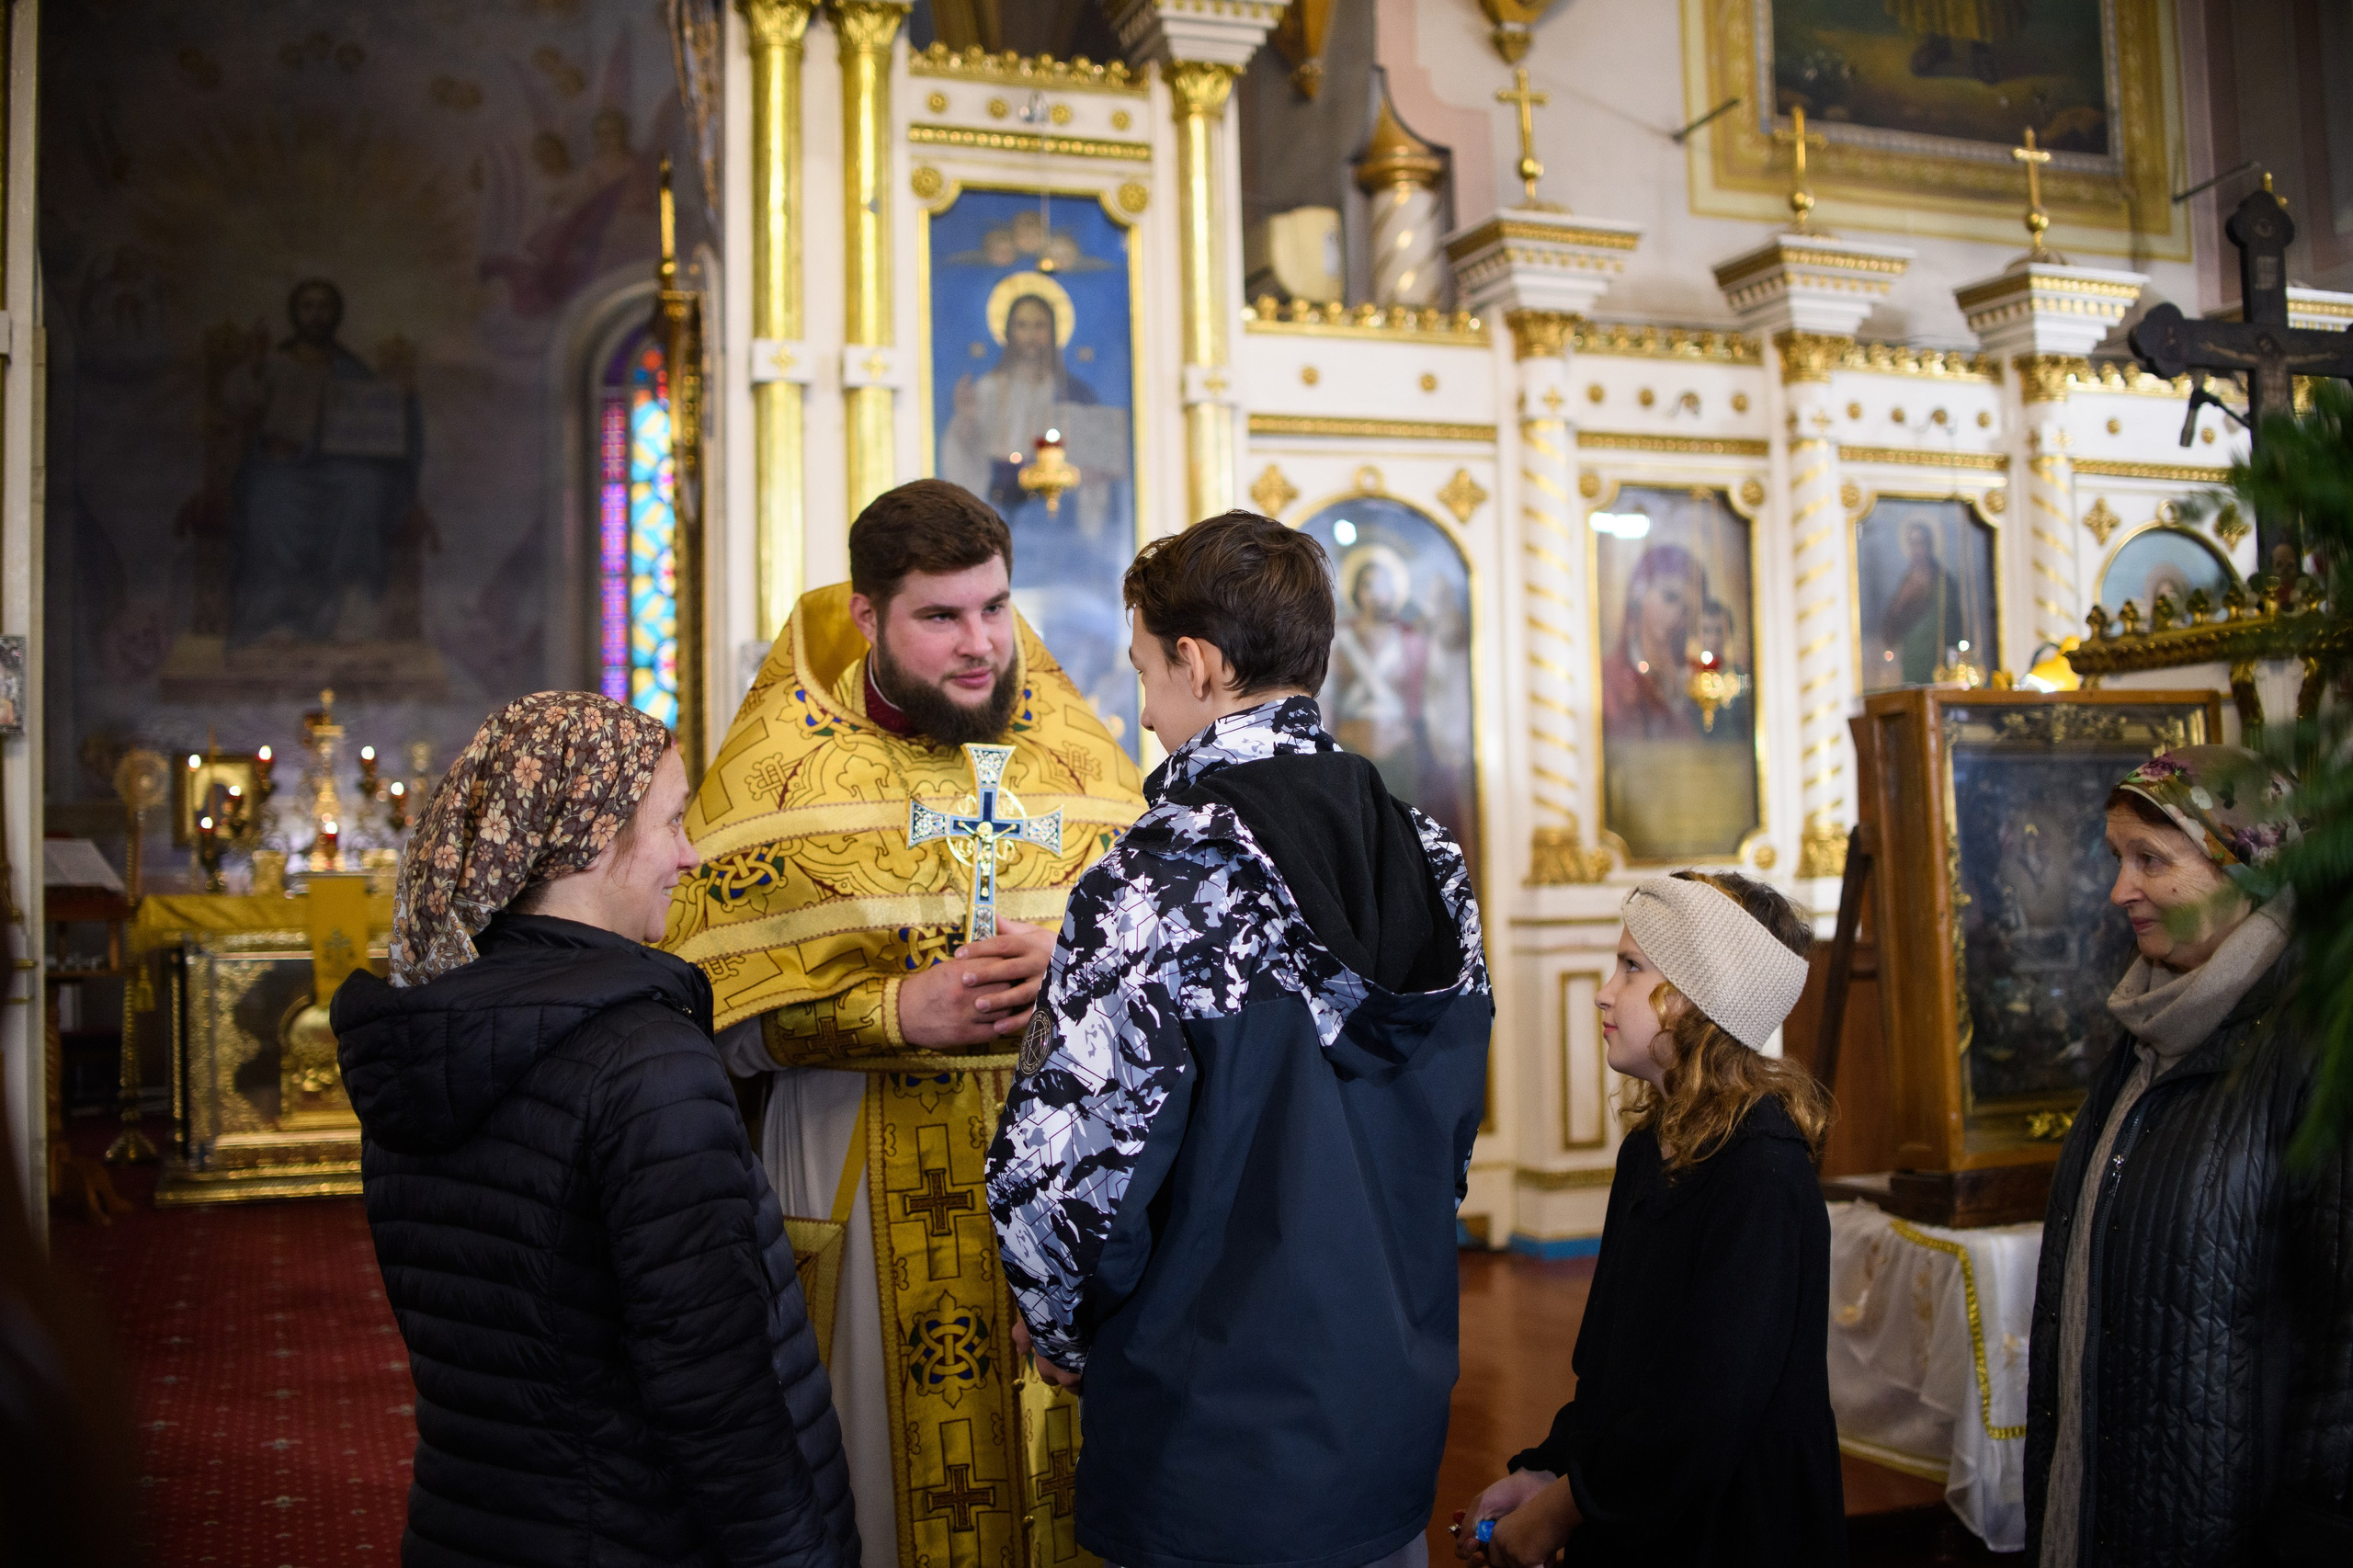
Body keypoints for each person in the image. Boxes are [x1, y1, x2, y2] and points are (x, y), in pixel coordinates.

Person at [988, 509, 1493, 1568]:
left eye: (1146, 674)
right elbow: (1446, 1135)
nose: (1146, 711)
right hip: (1387, 1406)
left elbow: (1066, 1174)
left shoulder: (1155, 878)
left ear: (1201, 662)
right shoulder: (1430, 852)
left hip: (1205, 1442)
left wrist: (1071, 1333)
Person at [665, 479, 1143, 1568]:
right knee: (874, 1489)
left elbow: (1155, 976)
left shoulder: (1078, 760)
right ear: (869, 615)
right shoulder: (774, 775)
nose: (982, 645)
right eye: (942, 616)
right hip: (855, 1160)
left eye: (995, 606)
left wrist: (1073, 963)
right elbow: (706, 1019)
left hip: (1058, 1192)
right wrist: (890, 1009)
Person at [332, 693, 855, 1568]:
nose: (689, 858)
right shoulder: (649, 1065)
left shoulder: (426, 1036)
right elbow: (715, 1389)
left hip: (468, 1526)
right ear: (587, 836)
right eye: (671, 824)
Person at [1456, 871, 1843, 1567]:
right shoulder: (1652, 1146)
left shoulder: (1761, 1175)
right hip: (1638, 1520)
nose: (1605, 989)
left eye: (1632, 967)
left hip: (1730, 1535)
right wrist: (1547, 1469)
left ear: (1703, 999)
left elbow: (1703, 1415)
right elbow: (1612, 1371)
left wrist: (1562, 1513)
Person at [2026, 745, 2352, 1566]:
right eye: (2117, 859)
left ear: (2241, 868)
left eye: (2152, 860)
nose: (2119, 890)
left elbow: (2344, 1348)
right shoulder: (2146, 1030)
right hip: (2119, 1513)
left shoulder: (2315, 1045)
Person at [1600, 541, 1702, 737]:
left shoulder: (1693, 677)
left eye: (1688, 609)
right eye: (1670, 597)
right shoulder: (1610, 676)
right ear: (1639, 594)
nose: (1678, 614)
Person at [1877, 517, 1963, 686]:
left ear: (1930, 544)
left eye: (1921, 543)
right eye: (1912, 543)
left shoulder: (1944, 582)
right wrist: (1903, 600)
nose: (1917, 549)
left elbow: (1955, 623)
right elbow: (1892, 624)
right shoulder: (1906, 582)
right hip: (1913, 658)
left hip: (1940, 659)